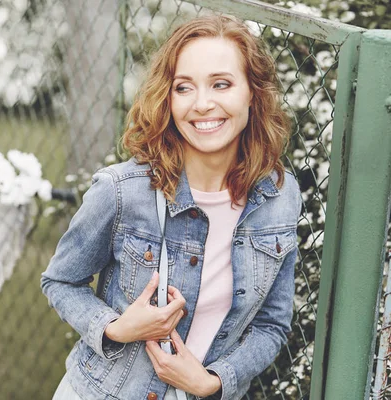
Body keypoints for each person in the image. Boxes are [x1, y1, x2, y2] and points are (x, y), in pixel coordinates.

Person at [41, 14, 302, 400]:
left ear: (253, 92)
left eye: (221, 84)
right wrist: (116, 328)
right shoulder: (122, 192)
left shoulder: (280, 197)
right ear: (168, 97)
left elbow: (272, 324)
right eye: (184, 87)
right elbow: (59, 281)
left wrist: (214, 381)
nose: (202, 104)